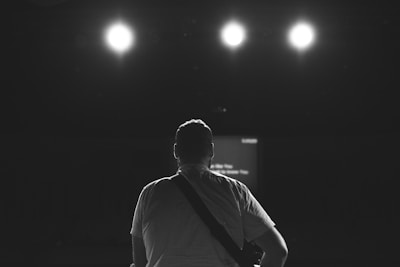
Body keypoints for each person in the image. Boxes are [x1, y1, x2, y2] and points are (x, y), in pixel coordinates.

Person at [130, 119, 288, 267]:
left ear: (176, 151)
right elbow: (278, 251)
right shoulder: (236, 191)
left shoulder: (149, 193)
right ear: (211, 150)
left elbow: (139, 262)